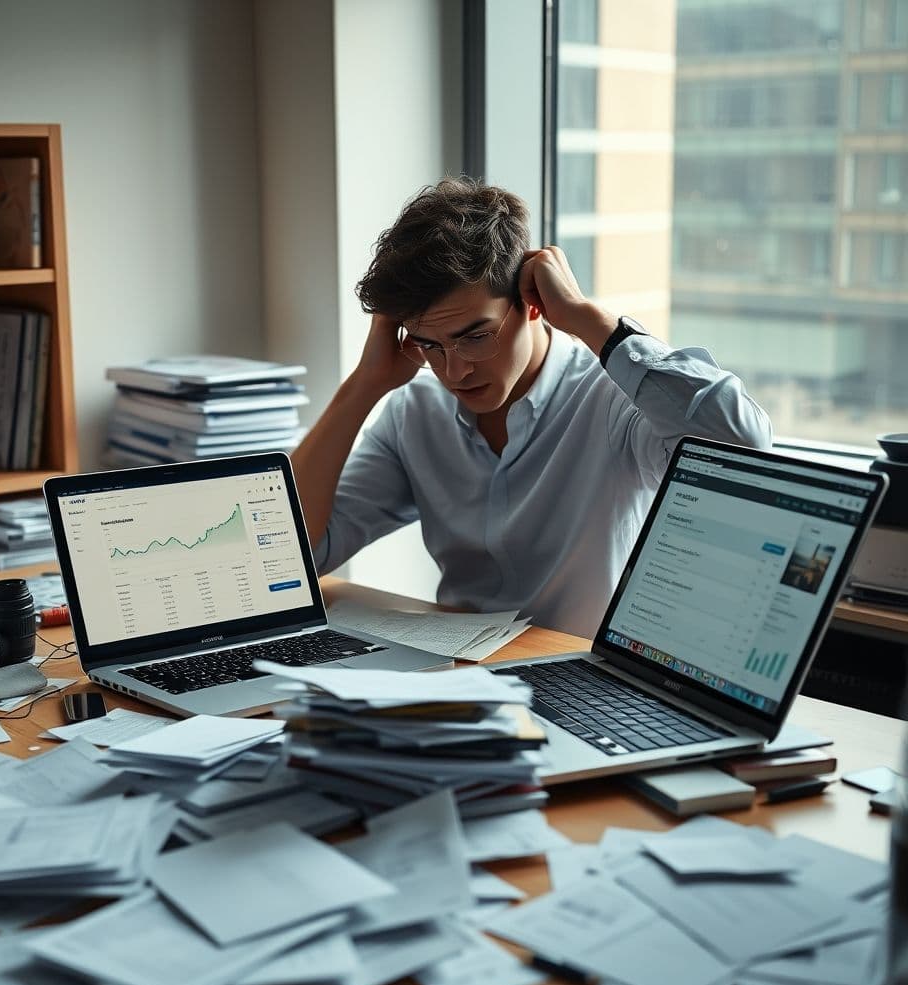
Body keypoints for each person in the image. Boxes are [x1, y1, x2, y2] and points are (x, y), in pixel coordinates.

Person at [291, 177, 772, 639]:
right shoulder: (415, 414)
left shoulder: (614, 400)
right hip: (457, 684)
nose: (454, 372)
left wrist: (589, 319)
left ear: (534, 304)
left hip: (585, 686)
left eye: (475, 338)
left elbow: (744, 448)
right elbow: (293, 559)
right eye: (429, 346)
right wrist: (364, 385)